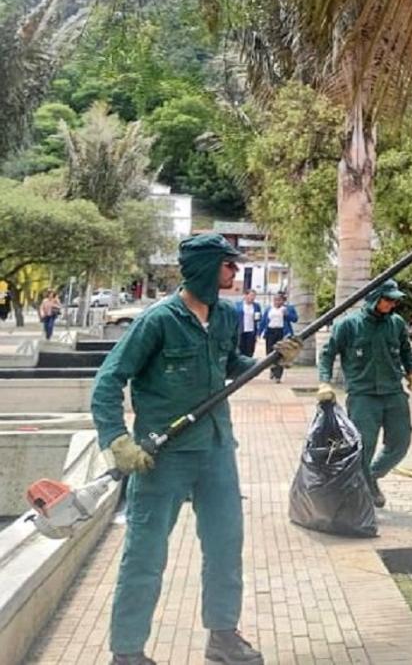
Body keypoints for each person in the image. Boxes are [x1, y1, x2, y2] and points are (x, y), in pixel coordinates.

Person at [90, 233, 301, 665]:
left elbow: (231, 366)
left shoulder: (223, 316)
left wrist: (272, 359)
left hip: (216, 451)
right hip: (161, 456)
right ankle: (126, 652)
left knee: (225, 546)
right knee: (145, 555)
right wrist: (117, 440)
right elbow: (108, 381)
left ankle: (222, 637)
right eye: (228, 264)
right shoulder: (159, 320)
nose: (235, 271)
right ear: (206, 267)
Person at [316, 279, 412, 508]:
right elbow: (327, 353)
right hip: (363, 395)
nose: (392, 304)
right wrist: (324, 382)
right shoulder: (348, 326)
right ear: (375, 299)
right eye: (388, 299)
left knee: (400, 442)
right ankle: (364, 488)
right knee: (364, 446)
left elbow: (406, 350)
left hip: (393, 393)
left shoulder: (396, 323)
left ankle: (371, 476)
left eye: (394, 300)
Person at [259, 291, 298, 383]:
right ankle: (272, 370)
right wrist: (259, 332)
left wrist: (287, 314)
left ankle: (278, 375)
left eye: (279, 300)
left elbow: (295, 319)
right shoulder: (269, 309)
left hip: (282, 333)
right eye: (275, 300)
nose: (277, 302)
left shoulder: (287, 308)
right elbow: (263, 321)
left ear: (283, 301)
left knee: (281, 354)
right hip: (270, 332)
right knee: (269, 352)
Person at [234, 289, 262, 357]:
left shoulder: (256, 306)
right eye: (251, 295)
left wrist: (258, 331)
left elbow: (258, 318)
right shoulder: (238, 305)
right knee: (240, 350)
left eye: (254, 296)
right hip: (241, 331)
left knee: (250, 350)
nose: (253, 298)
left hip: (251, 331)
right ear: (246, 296)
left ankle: (249, 365)